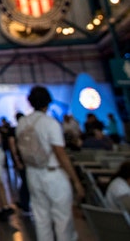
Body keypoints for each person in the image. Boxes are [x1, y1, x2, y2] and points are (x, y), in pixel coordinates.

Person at [20, 85, 84, 241]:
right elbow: (60, 154)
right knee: (63, 219)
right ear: (47, 102)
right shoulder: (50, 123)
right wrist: (76, 181)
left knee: (41, 218)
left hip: (32, 173)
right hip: (53, 173)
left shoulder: (22, 123)